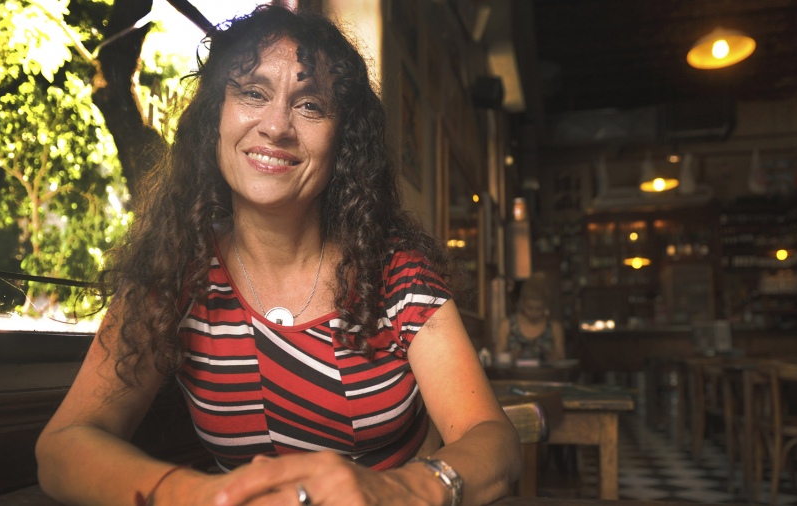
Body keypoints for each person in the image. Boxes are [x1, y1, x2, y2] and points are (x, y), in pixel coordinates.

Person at [35, 5, 520, 506]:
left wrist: (400, 489)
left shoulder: (397, 272)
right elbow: (63, 445)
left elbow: (495, 440)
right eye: (253, 92)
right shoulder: (174, 269)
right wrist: (205, 496)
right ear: (215, 117)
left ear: (343, 138)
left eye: (310, 105)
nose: (276, 126)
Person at [496, 272, 565, 363]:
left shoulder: (554, 327)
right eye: (529, 308)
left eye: (539, 309)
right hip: (514, 372)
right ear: (522, 303)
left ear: (545, 305)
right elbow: (498, 357)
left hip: (547, 372)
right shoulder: (507, 325)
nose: (534, 312)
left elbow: (561, 357)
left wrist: (552, 356)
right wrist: (511, 356)